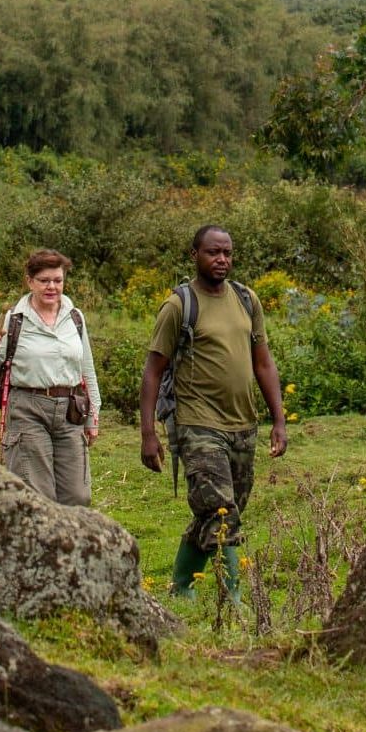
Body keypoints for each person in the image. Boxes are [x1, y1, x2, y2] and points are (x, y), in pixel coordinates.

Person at [140, 224, 287, 599]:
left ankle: (182, 587)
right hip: (197, 424)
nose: (222, 260)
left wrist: (278, 419)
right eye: (213, 253)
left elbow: (264, 362)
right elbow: (153, 370)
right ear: (195, 255)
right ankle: (233, 602)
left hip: (243, 422)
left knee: (219, 510)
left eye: (227, 253)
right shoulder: (179, 306)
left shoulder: (246, 299)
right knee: (223, 513)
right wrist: (148, 434)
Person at [0, 249, 100, 506]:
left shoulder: (75, 317)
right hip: (27, 409)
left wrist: (93, 417)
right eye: (44, 280)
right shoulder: (15, 319)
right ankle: (39, 546)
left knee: (78, 497)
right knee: (37, 498)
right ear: (30, 281)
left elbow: (86, 368)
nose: (52, 287)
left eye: (58, 280)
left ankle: (67, 545)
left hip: (70, 410)